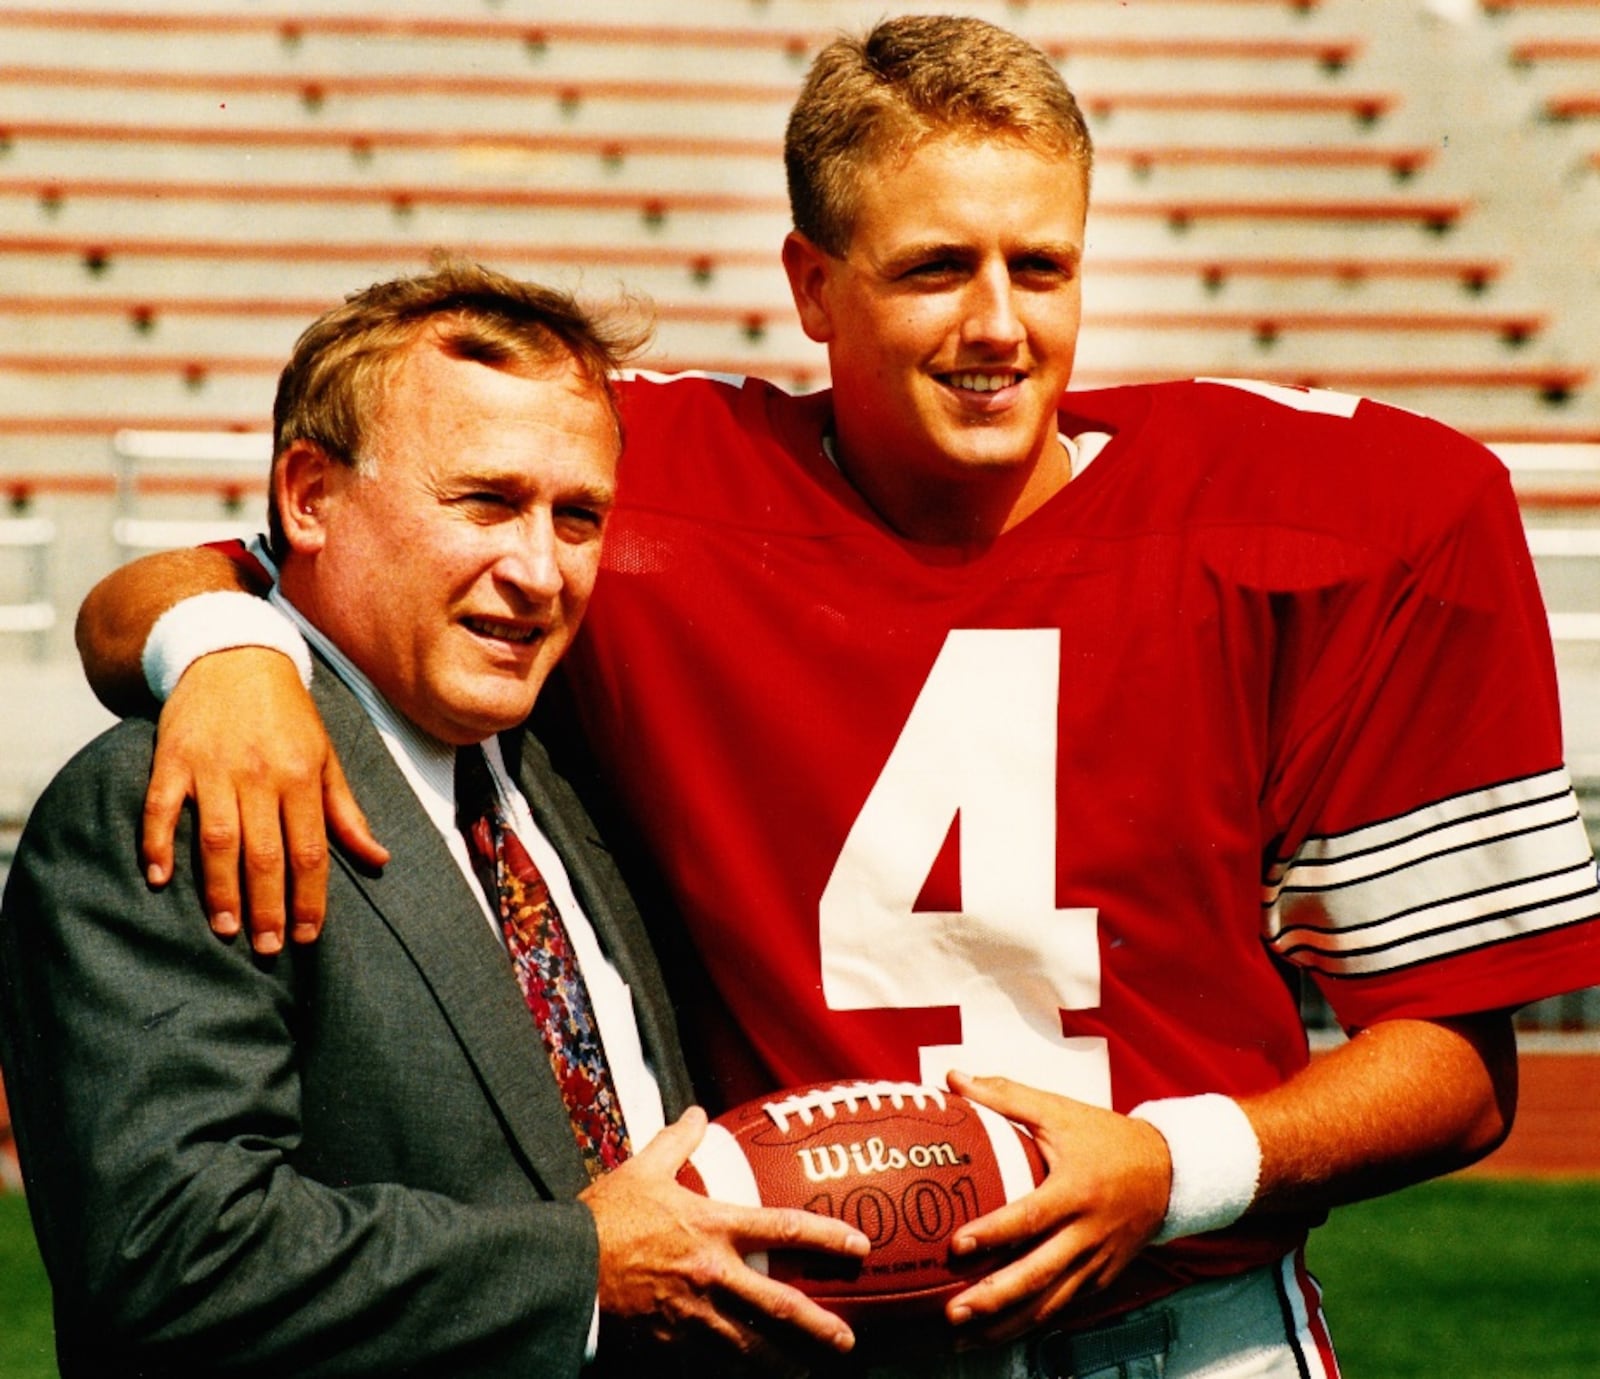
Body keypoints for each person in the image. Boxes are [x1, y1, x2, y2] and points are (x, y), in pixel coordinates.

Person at [75, 15, 1600, 1379]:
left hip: (1186, 1322)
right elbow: (205, 578)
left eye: (1042, 265)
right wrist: (225, 651)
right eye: (936, 266)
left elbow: (1460, 1068)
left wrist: (1172, 1160)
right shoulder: (637, 489)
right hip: (813, 1322)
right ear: (812, 284)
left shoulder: (1336, 512)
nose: (999, 327)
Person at [1, 262, 871, 1378]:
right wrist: (579, 1269)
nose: (539, 569)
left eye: (579, 517)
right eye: (486, 502)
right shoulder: (176, 787)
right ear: (309, 497)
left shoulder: (557, 775)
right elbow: (172, 1257)